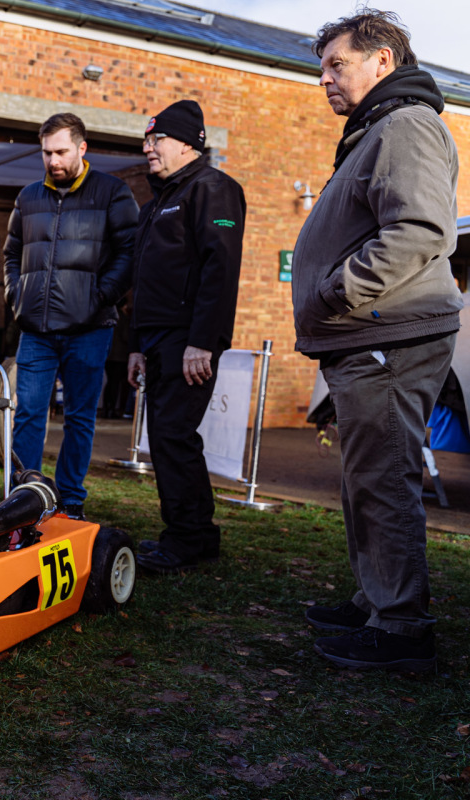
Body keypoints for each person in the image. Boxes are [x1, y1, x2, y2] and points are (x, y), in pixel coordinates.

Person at [292, 10, 462, 671]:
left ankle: (400, 629)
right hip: (370, 336)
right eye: (323, 68)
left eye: (337, 64)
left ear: (383, 60)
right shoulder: (378, 131)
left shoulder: (406, 126)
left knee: (384, 478)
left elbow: (419, 231)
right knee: (367, 477)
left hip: (389, 332)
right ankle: (377, 602)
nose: (325, 79)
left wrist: (337, 289)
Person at [126, 100, 245, 575]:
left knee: (174, 436)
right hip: (156, 339)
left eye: (157, 141)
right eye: (147, 140)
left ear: (187, 144)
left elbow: (221, 268)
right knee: (167, 436)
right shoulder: (157, 201)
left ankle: (187, 539)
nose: (148, 149)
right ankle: (195, 535)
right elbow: (144, 276)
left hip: (186, 339)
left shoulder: (214, 190)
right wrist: (135, 343)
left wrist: (203, 340)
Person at [2, 113, 139, 518]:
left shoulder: (113, 193)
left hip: (90, 328)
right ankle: (22, 497)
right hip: (36, 330)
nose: (53, 161)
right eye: (46, 153)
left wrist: (96, 297)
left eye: (61, 151)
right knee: (27, 415)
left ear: (81, 148)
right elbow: (11, 254)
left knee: (79, 418)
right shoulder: (28, 197)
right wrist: (17, 296)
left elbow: (129, 254)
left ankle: (71, 501)